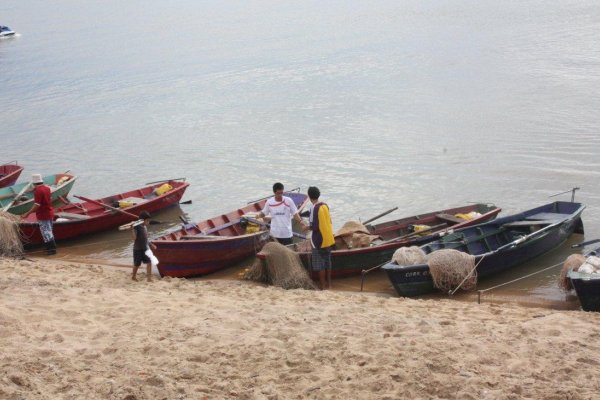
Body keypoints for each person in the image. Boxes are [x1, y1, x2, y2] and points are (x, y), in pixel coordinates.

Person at [303, 186, 335, 290]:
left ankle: (322, 286)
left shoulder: (313, 208)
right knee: (327, 262)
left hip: (317, 240)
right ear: (318, 195)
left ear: (309, 196)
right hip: (328, 239)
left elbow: (314, 226)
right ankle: (329, 285)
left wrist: (305, 227)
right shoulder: (325, 205)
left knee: (319, 264)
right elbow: (328, 222)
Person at [22, 174, 56, 255]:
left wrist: (27, 213)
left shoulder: (38, 191)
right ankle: (51, 248)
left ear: (34, 183)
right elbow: (49, 198)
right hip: (50, 212)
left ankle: (51, 250)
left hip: (43, 214)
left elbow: (37, 205)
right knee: (49, 231)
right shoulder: (47, 188)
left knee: (46, 232)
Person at [131, 210, 155, 282]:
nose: (148, 222)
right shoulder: (136, 227)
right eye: (147, 220)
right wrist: (132, 229)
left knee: (149, 262)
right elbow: (134, 238)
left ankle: (149, 278)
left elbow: (146, 238)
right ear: (142, 220)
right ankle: (133, 276)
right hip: (137, 249)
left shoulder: (145, 227)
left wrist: (151, 244)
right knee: (137, 264)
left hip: (145, 248)